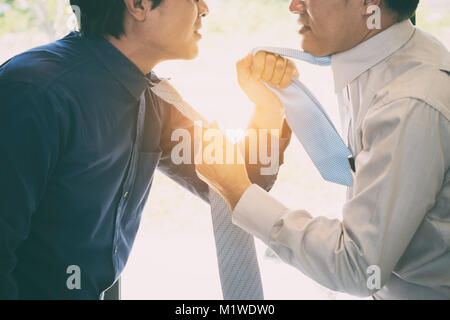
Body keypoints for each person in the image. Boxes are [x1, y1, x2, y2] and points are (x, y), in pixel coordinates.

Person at [0, 0, 295, 299]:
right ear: (139, 5)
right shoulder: (33, 94)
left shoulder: (153, 100)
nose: (204, 8)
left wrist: (267, 109)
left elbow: (239, 187)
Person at [196, 0, 450, 299]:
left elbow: (357, 267)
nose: (293, 5)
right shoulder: (384, 54)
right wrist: (278, 98)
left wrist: (237, 191)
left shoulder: (408, 105)